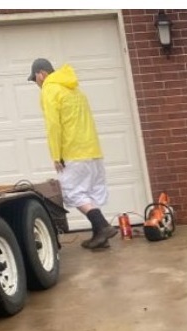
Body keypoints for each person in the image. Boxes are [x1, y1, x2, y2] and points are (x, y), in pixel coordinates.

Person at [29, 58, 118, 250]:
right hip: (93, 150)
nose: (36, 84)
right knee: (88, 193)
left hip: (73, 152)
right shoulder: (74, 89)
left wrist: (56, 154)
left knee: (73, 192)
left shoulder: (50, 89)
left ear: (40, 74)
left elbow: (53, 125)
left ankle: (102, 226)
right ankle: (99, 236)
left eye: (35, 80)